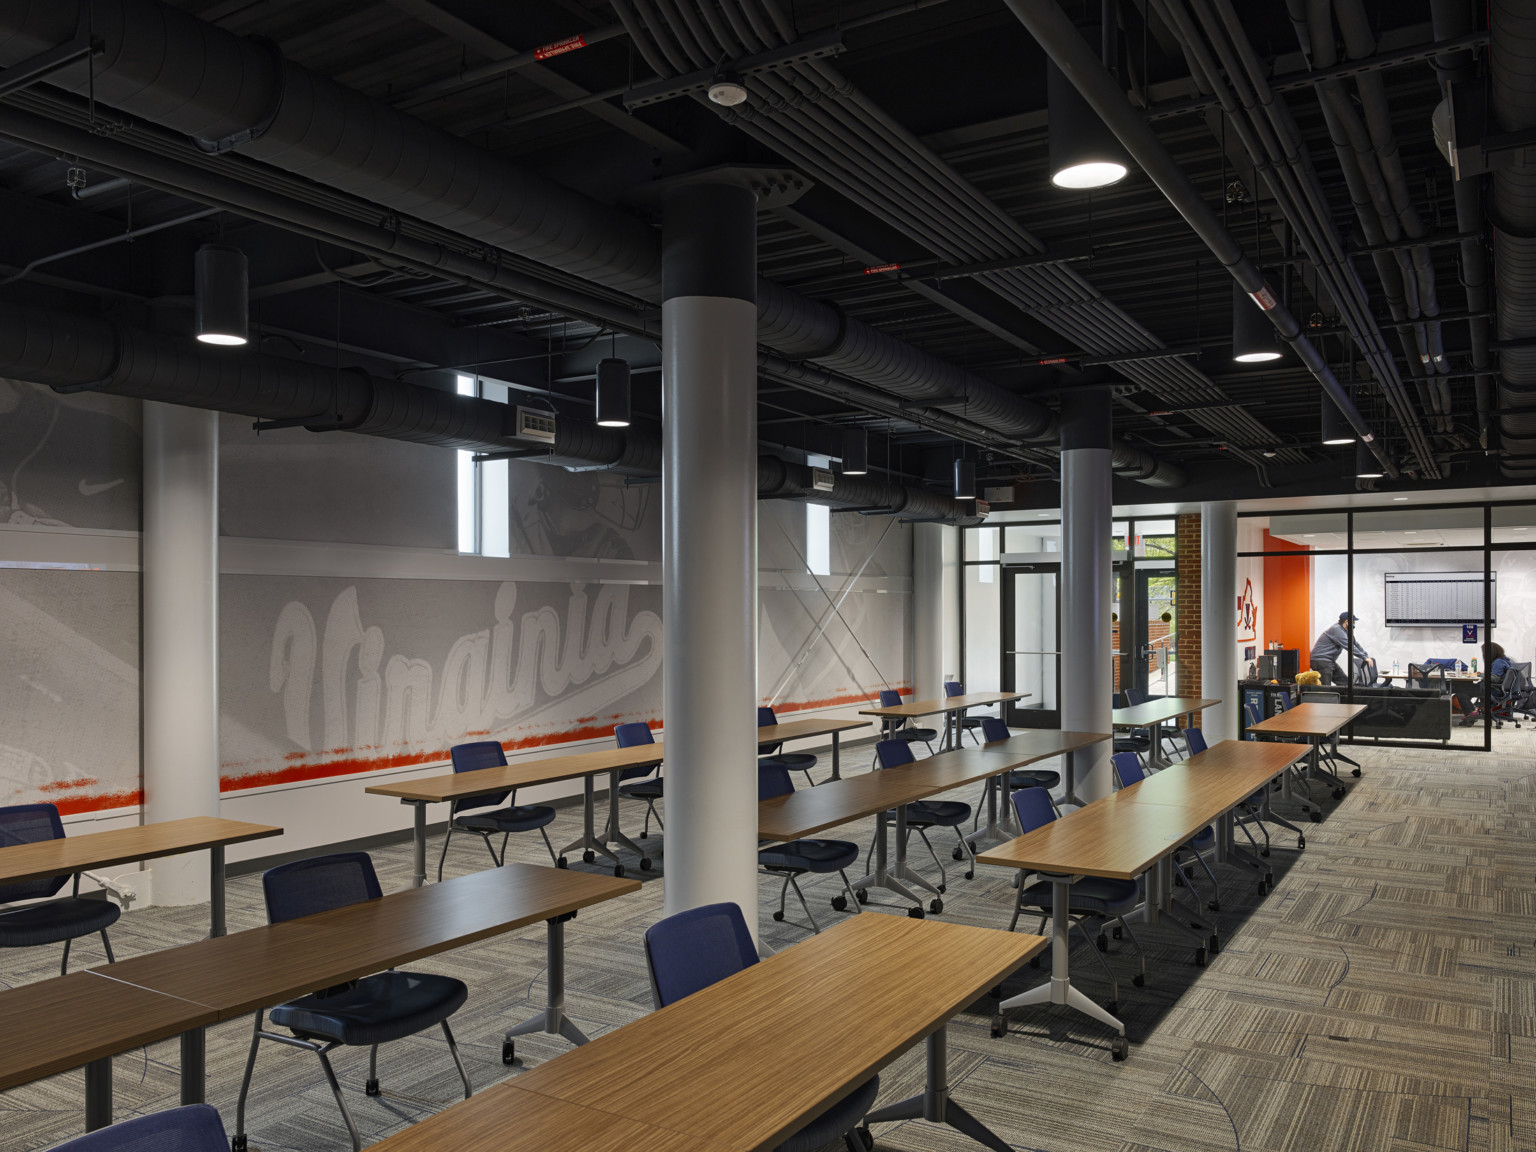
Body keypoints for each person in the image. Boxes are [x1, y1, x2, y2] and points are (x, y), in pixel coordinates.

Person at [1454, 642, 1511, 726]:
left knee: (1459, 689)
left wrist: (1479, 675)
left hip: (1492, 689)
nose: (1484, 654)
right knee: (1461, 692)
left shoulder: (1498, 662)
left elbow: (1494, 678)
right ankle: (1471, 714)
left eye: (1484, 652)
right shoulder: (1502, 660)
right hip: (1492, 688)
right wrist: (1481, 674)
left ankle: (1472, 713)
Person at [1310, 612, 1368, 686]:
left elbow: (1354, 644)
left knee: (1346, 684)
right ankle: (1326, 697)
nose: (1354, 624)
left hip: (1329, 660)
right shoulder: (1337, 630)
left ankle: (1344, 697)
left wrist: (1366, 656)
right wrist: (1363, 657)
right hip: (1320, 660)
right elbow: (1349, 645)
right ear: (1347, 621)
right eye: (1353, 622)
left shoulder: (1345, 631)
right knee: (1325, 687)